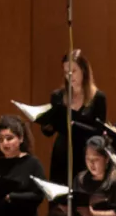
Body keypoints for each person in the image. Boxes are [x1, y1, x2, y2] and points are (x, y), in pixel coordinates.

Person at [39, 48, 106, 189]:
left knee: (80, 195)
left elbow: (99, 132)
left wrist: (75, 124)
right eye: (66, 72)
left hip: (84, 154)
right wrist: (46, 124)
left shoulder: (98, 98)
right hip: (62, 153)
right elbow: (48, 131)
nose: (69, 76)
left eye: (73, 71)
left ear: (84, 70)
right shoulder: (58, 96)